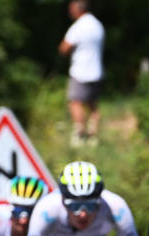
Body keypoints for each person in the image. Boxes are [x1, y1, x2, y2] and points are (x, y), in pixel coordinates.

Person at [58, 0, 104, 148]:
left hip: (80, 71)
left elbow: (64, 48)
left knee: (75, 102)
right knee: (93, 105)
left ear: (78, 10)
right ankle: (93, 135)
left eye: (71, 9)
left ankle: (79, 133)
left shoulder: (78, 27)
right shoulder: (98, 25)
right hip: (96, 71)